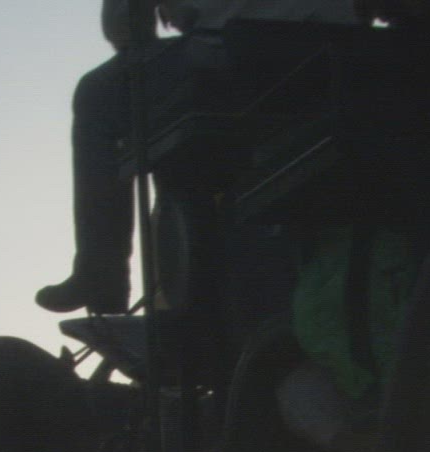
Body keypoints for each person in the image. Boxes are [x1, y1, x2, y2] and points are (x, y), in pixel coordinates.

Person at [35, 0, 361, 315]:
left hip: (236, 58)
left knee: (96, 93)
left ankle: (101, 274)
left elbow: (123, 25)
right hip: (339, 58)